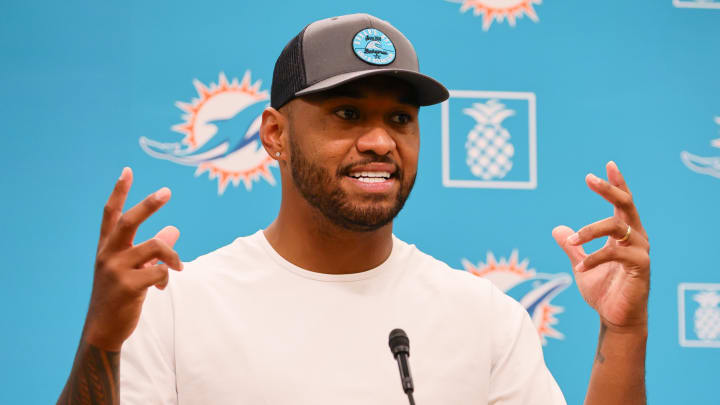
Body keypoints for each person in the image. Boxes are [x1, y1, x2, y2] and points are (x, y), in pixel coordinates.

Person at [57, 13, 650, 405]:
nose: (379, 141)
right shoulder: (178, 306)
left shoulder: (486, 319)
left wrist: (622, 331)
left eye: (400, 118)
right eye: (346, 114)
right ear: (274, 135)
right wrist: (103, 341)